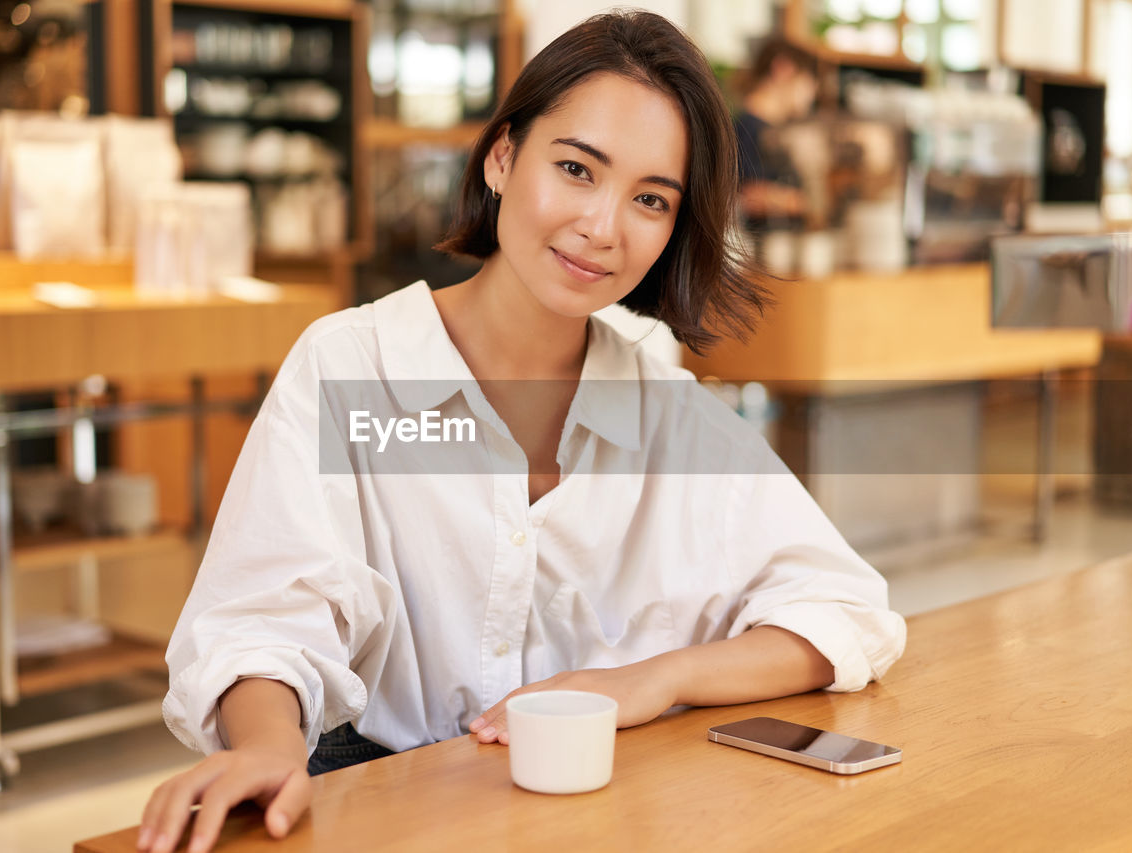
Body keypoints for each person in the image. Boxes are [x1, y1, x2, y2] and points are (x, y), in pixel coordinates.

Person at [138, 12, 906, 853]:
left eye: (651, 198)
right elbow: (262, 617)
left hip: (605, 817)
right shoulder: (353, 366)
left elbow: (848, 612)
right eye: (576, 168)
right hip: (382, 810)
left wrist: (647, 682)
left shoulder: (669, 413)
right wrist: (268, 745)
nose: (603, 227)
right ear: (502, 156)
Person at [732, 38, 820, 228]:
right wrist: (804, 202)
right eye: (809, 80)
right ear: (783, 68)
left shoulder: (771, 131)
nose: (813, 92)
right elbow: (745, 196)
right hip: (756, 252)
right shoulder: (748, 128)